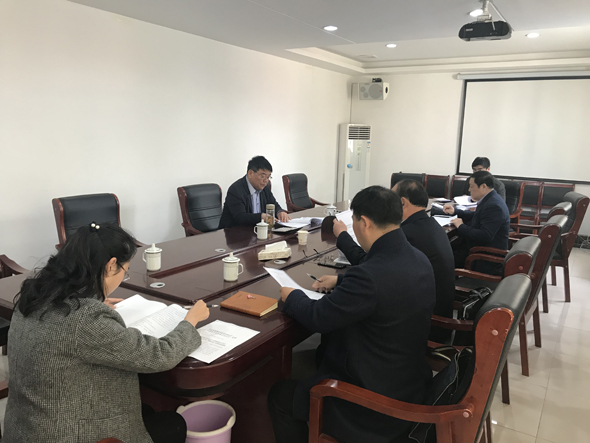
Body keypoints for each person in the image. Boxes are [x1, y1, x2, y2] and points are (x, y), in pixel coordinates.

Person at [4, 223, 210, 443]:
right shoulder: (85, 319)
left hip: (25, 428)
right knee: (173, 423)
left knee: (147, 411)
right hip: (69, 434)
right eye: (125, 270)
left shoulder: (34, 296)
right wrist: (190, 321)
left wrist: (90, 301)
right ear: (111, 265)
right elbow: (159, 355)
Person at [268, 186, 435, 443]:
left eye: (353, 222)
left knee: (280, 396)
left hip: (374, 405)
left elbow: (318, 317)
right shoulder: (418, 258)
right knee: (323, 353)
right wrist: (342, 280)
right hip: (409, 383)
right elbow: (384, 282)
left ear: (364, 223)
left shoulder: (369, 276)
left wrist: (292, 296)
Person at [334, 180, 454, 343]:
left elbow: (369, 264)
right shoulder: (429, 224)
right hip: (426, 314)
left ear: (402, 202)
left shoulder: (407, 234)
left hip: (422, 327)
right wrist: (340, 279)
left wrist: (342, 236)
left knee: (339, 325)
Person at [445, 171, 510, 273]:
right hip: (477, 248)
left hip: (483, 257)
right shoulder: (491, 199)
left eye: (471, 186)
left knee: (442, 257)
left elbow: (485, 235)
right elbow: (477, 215)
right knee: (446, 248)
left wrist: (461, 226)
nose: (469, 190)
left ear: (483, 186)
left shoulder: (494, 206)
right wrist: (455, 211)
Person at [218, 155, 290, 229]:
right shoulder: (236, 190)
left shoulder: (264, 187)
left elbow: (273, 204)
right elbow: (240, 217)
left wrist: (280, 212)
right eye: (262, 176)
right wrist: (261, 217)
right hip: (234, 232)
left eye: (268, 177)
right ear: (250, 173)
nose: (266, 181)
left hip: (256, 230)